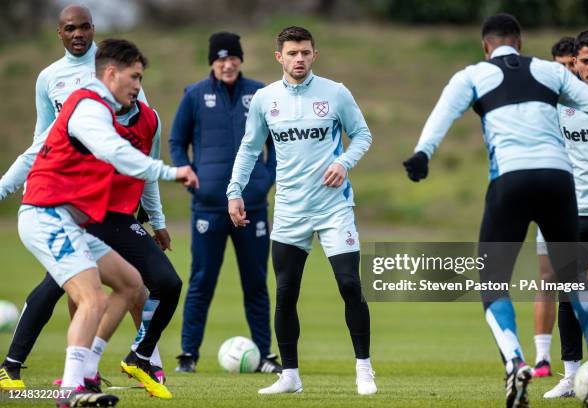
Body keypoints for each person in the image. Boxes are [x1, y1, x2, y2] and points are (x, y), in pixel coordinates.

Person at [403, 14, 588, 407]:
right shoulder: (552, 71)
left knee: (493, 280)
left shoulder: (471, 75)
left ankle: (515, 362)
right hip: (558, 180)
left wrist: (422, 154)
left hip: (511, 182)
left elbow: (443, 114)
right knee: (573, 276)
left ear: (486, 46)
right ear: (520, 43)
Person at [16, 38, 197, 407]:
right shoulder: (88, 108)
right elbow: (115, 153)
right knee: (92, 298)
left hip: (76, 218)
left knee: (131, 286)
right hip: (47, 214)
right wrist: (172, 171)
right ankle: (71, 389)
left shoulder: (115, 110)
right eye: (134, 77)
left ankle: (85, 377)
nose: (138, 85)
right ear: (111, 74)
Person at [227, 26, 376, 395]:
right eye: (292, 53)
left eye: (306, 53)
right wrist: (235, 192)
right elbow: (249, 149)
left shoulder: (335, 93)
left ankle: (364, 369)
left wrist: (343, 162)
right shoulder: (265, 99)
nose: (299, 59)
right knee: (286, 292)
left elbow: (363, 135)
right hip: (291, 210)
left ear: (314, 54)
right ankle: (290, 376)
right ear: (279, 57)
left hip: (333, 208)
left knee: (349, 284)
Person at [169, 32, 280, 374]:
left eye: (233, 58)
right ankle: (188, 355)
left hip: (253, 207)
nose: (227, 64)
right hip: (209, 208)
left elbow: (277, 142)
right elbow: (176, 142)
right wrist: (189, 175)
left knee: (256, 282)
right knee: (201, 281)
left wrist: (266, 179)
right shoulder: (195, 95)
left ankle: (265, 355)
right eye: (220, 59)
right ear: (211, 63)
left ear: (240, 60)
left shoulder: (260, 94)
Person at [541, 29, 588, 399]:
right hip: (572, 211)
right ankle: (570, 376)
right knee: (570, 291)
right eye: (584, 61)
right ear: (574, 63)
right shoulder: (560, 101)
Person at [530, 36, 580, 380]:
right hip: (555, 201)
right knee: (550, 278)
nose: (564, 72)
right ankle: (544, 359)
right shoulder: (545, 106)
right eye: (558, 66)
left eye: (569, 65)